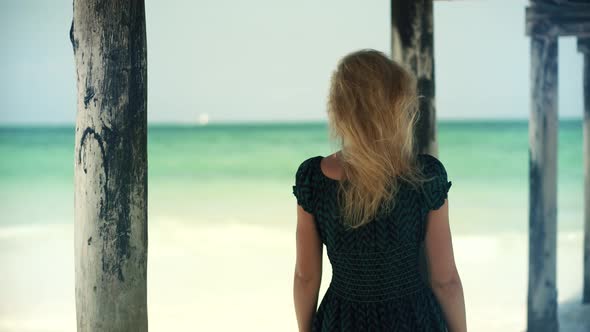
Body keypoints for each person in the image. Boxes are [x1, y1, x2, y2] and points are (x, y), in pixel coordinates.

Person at [291, 49, 466, 332]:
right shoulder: (425, 176)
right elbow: (445, 281)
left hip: (341, 320)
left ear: (339, 108)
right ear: (397, 104)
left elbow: (306, 277)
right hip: (414, 319)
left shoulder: (313, 179)